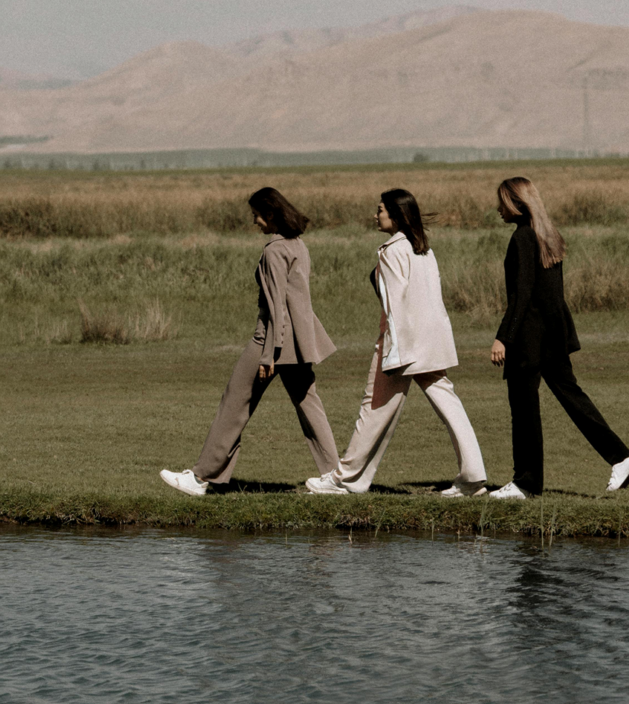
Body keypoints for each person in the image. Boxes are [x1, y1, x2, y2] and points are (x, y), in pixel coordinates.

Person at [305, 188, 487, 497]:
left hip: (403, 343)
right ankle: (472, 476)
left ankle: (346, 479)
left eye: (380, 210)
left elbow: (395, 305)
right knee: (448, 404)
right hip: (431, 340)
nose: (375, 215)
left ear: (396, 215)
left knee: (373, 408)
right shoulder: (424, 249)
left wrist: (393, 353)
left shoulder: (391, 250)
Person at [160, 187, 338, 496]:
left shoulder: (273, 250)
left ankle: (202, 477)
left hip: (270, 338)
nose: (254, 221)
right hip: (298, 339)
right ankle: (337, 477)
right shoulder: (298, 245)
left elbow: (276, 307)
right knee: (309, 405)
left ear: (270, 214)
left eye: (255, 214)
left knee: (235, 403)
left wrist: (269, 355)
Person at [488, 176, 629, 499]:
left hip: (530, 338)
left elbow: (523, 294)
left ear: (517, 204)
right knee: (573, 397)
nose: (498, 208)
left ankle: (526, 483)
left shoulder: (522, 238)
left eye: (502, 202)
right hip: (552, 334)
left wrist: (504, 337)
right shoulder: (548, 235)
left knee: (524, 407)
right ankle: (621, 457)